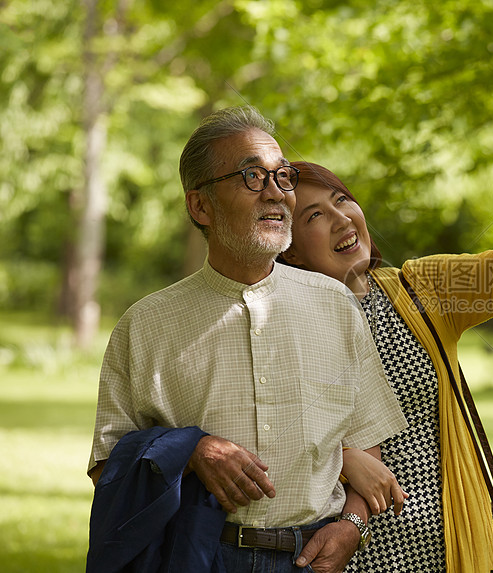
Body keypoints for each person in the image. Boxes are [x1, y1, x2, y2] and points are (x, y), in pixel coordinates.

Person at [87, 105, 407, 573]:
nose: (276, 194)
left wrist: (351, 527)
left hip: (314, 557)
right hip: (195, 557)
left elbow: (364, 439)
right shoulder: (146, 325)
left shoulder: (336, 305)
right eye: (253, 177)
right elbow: (106, 466)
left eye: (283, 177)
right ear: (200, 206)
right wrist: (192, 451)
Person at [278, 138, 493, 572]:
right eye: (315, 216)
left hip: (453, 545)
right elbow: (271, 427)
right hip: (349, 551)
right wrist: (343, 459)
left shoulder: (420, 287)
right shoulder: (283, 322)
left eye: (341, 199)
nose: (341, 218)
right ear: (289, 249)